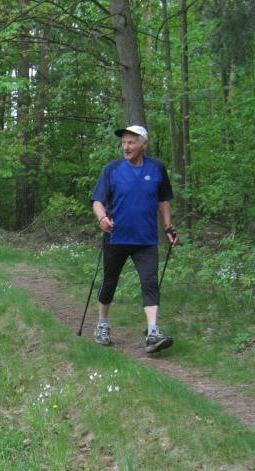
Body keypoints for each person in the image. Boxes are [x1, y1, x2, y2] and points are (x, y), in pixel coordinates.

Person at [90, 125, 179, 353]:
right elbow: (98, 201)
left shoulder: (157, 169)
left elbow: (163, 201)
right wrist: (102, 218)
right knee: (110, 282)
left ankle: (153, 332)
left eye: (131, 142)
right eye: (123, 143)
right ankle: (102, 324)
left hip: (146, 239)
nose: (126, 147)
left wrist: (168, 227)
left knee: (150, 282)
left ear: (144, 144)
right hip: (116, 237)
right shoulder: (111, 170)